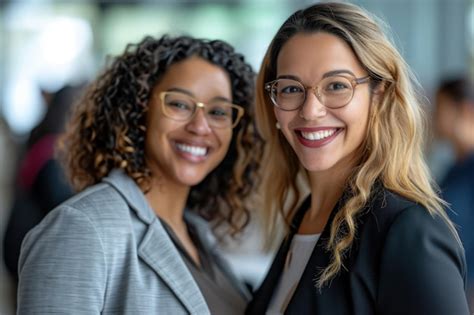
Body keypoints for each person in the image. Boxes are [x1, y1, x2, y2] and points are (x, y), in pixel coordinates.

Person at [246, 2, 469, 314]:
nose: (310, 111)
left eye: (337, 85)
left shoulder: (407, 231)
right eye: (291, 89)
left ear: (378, 94)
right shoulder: (305, 216)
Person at [17, 34, 262, 314]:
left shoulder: (197, 233)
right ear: (138, 109)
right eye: (179, 104)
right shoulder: (82, 228)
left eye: (218, 111)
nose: (200, 126)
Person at [3, 85, 82, 284]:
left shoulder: (42, 141)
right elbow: (62, 208)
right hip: (32, 256)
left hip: (22, 247)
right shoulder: (54, 155)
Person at [434, 76, 474, 308]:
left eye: (440, 108)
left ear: (465, 109)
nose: (434, 117)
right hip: (452, 286)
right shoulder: (451, 169)